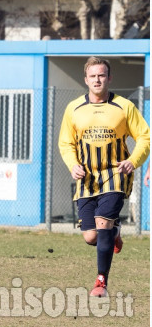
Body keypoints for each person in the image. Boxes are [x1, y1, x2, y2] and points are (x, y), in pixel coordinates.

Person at [58, 57, 149, 298]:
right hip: (86, 178)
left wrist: (133, 161)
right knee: (91, 236)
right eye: (93, 76)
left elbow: (145, 138)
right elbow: (66, 143)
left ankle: (101, 282)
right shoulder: (74, 108)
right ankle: (115, 231)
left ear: (109, 78)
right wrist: (72, 164)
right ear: (85, 79)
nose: (98, 80)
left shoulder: (124, 106)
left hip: (116, 175)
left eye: (102, 75)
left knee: (103, 224)